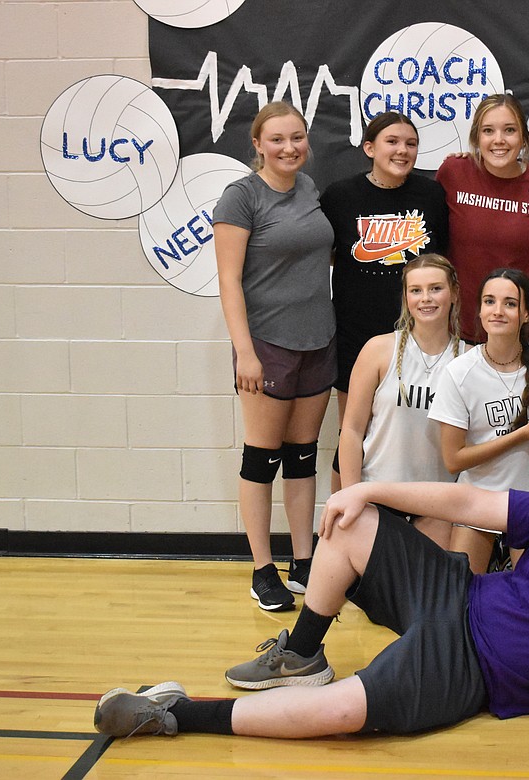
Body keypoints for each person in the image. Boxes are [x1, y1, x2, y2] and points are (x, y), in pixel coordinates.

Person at [92, 459, 529, 740]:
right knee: (350, 520)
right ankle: (304, 652)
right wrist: (365, 489)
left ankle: (175, 713)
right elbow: (465, 504)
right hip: (458, 594)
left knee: (340, 714)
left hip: (474, 672)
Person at [213, 101, 336, 611]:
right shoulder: (241, 197)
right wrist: (245, 352)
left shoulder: (308, 188)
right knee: (262, 459)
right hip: (266, 347)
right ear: (258, 145)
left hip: (319, 340)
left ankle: (303, 560)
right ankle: (263, 569)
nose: (290, 148)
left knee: (302, 458)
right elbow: (227, 280)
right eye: (278, 139)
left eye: (298, 138)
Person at [320, 112, 450, 494]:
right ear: (369, 148)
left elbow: (440, 260)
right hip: (357, 335)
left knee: (416, 433)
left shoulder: (430, 195)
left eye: (411, 143)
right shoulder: (340, 197)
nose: (402, 150)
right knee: (353, 433)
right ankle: (343, 522)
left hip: (420, 338)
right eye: (392, 141)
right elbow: (327, 255)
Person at [429, 268, 529, 573]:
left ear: (527, 313)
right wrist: (522, 435)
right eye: (489, 301)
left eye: (509, 303)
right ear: (479, 310)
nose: (498, 311)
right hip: (479, 499)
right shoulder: (459, 371)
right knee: (461, 597)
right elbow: (453, 460)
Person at [338, 254, 462, 548]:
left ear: (454, 293)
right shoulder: (379, 350)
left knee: (428, 591)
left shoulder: (469, 360)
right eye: (416, 290)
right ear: (406, 298)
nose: (425, 299)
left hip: (438, 503)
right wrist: (351, 495)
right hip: (378, 497)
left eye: (435, 288)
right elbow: (352, 431)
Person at [436, 94, 529, 343]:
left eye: (509, 130)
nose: (499, 140)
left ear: (523, 137)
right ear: (476, 138)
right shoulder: (454, 172)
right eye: (488, 130)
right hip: (459, 327)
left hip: (519, 330)